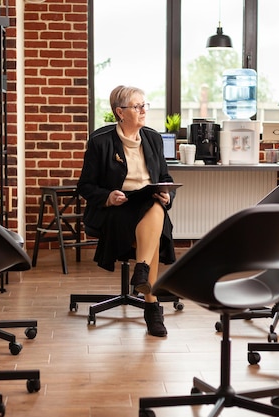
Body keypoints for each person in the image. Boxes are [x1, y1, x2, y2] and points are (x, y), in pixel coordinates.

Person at [77, 85, 176, 337]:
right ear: (120, 112)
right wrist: (108, 197)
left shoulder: (153, 139)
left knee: (155, 206)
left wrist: (168, 194)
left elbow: (164, 176)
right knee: (152, 233)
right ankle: (152, 307)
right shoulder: (100, 142)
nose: (143, 110)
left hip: (149, 200)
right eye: (137, 106)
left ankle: (141, 271)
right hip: (117, 207)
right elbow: (85, 186)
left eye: (145, 105)